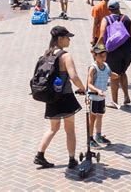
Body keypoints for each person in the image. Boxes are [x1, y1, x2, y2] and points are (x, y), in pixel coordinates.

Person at [35, 26, 86, 169]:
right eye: (67, 37)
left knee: (53, 128)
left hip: (51, 97)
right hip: (66, 97)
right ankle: (71, 159)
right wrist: (83, 88)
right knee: (69, 129)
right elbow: (74, 76)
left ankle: (40, 155)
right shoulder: (65, 56)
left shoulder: (47, 54)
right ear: (60, 39)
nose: (69, 39)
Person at [98, 0, 131, 108]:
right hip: (127, 50)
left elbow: (101, 37)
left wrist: (97, 49)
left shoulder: (106, 19)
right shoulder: (127, 19)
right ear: (119, 8)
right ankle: (126, 96)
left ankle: (114, 102)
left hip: (113, 51)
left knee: (114, 75)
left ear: (109, 9)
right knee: (122, 72)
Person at [87, 44, 119, 148]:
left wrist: (116, 75)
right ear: (95, 55)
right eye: (101, 56)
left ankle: (98, 136)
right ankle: (90, 139)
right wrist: (97, 90)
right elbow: (89, 84)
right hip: (93, 97)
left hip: (101, 98)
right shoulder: (93, 68)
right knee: (92, 119)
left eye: (104, 55)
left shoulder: (106, 66)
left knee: (100, 116)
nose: (103, 58)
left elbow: (110, 74)